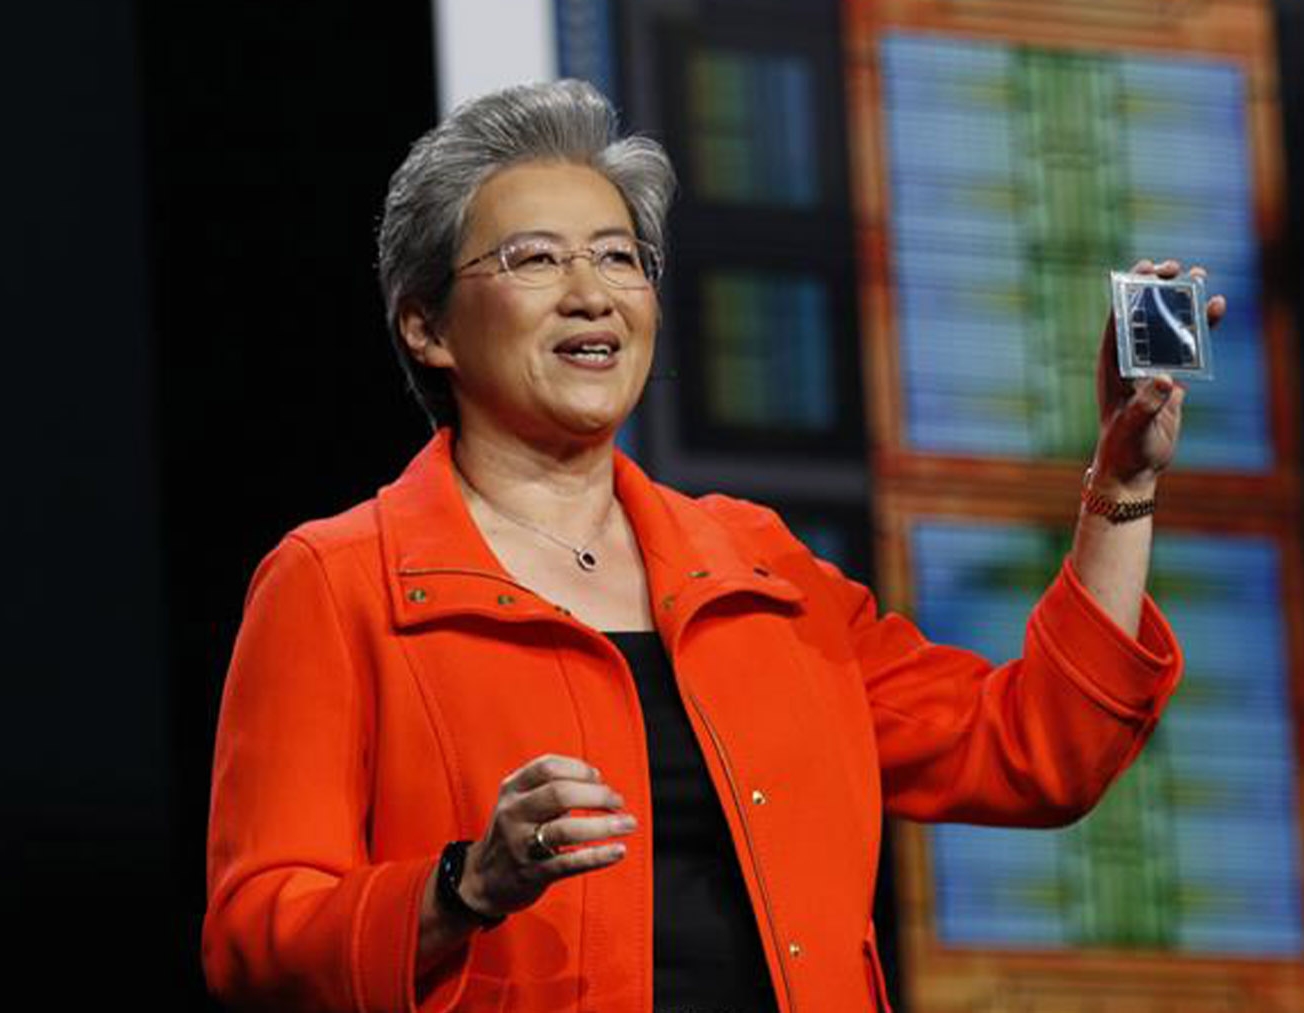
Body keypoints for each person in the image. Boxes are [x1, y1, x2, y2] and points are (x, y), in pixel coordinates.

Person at [201, 79, 1217, 1013]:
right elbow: (256, 938)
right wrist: (464, 885)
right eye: (536, 258)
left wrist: (1122, 483)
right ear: (427, 325)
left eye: (618, 257)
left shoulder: (757, 569)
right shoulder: (339, 582)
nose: (592, 292)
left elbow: (1034, 751)